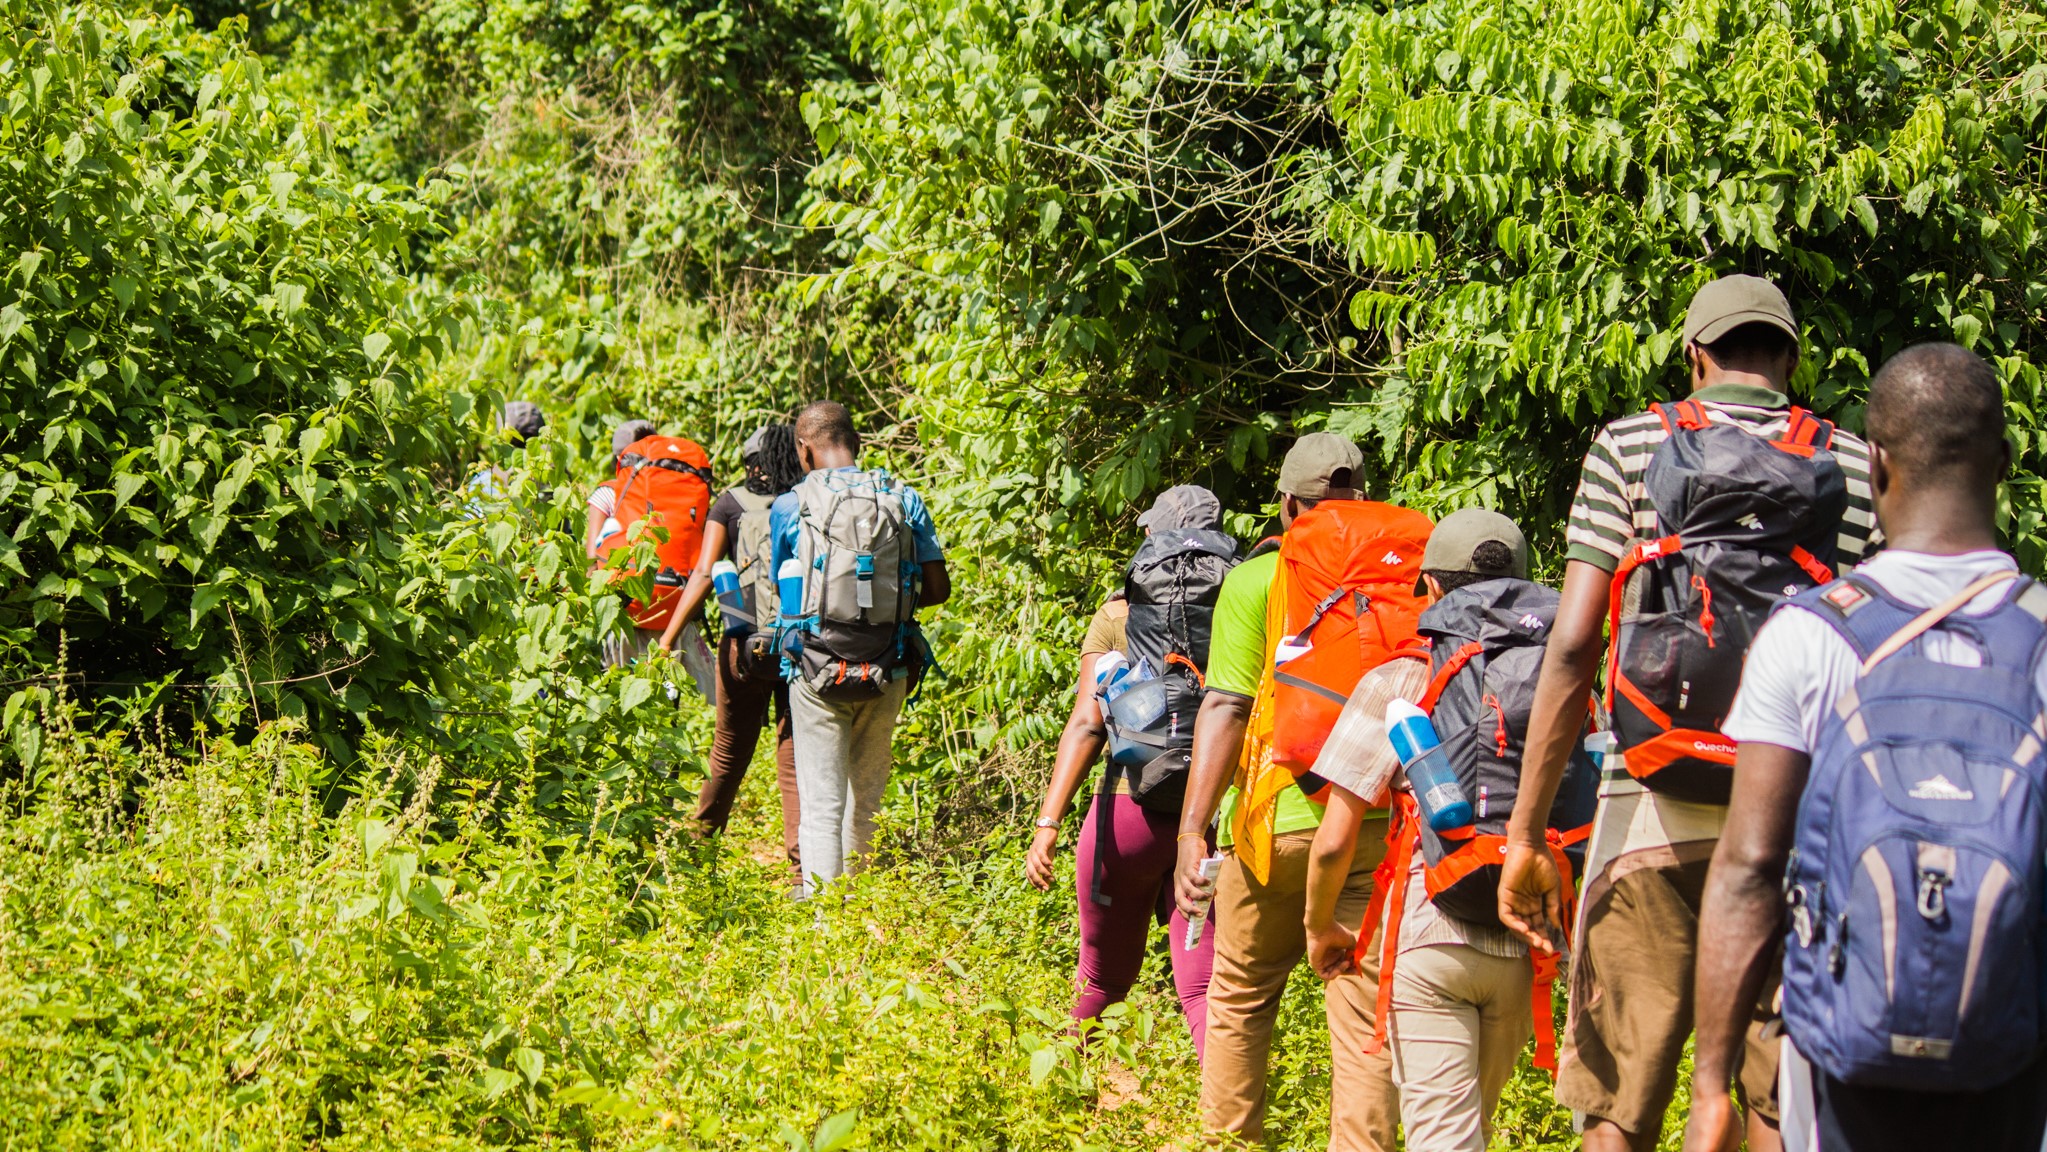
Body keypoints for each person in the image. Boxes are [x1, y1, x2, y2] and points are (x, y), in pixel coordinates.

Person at [1495, 275, 1881, 1152]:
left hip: (1648, 804)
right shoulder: (1855, 465)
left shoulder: (1629, 445)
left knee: (1618, 1102)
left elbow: (1570, 645)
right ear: (1789, 359)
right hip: (1793, 819)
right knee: (1774, 1101)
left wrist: (1525, 833)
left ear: (1694, 354)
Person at [1686, 344, 2047, 1152]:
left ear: (1874, 464)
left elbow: (1749, 866)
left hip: (1845, 1052)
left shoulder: (1809, 634)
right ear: (2005, 463)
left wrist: (1712, 1083)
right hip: (2014, 1052)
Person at [1305, 509, 1583, 1152]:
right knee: (1470, 1133)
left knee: (1444, 1140)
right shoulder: (1559, 678)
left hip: (1429, 928)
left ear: (1428, 589)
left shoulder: (1400, 677)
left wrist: (1321, 927)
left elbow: (1334, 840)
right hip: (1525, 940)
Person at [1170, 433, 1405, 1152]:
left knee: (1239, 994)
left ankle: (1230, 1142)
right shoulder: (1401, 575)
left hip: (1278, 821)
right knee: (1365, 1014)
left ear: (1285, 502)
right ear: (1364, 496)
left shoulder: (1254, 581)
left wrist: (1192, 829)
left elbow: (1225, 705)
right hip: (1374, 820)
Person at [1026, 485, 1232, 1056]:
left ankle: (1057, 1096)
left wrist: (1048, 822)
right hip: (1214, 816)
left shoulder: (1119, 611)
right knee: (1202, 986)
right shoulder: (1246, 602)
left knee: (1101, 979)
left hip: (1127, 815)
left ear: (1152, 539)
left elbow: (1087, 725)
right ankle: (1225, 1126)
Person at [772, 401, 950, 896]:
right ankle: (862, 905)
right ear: (858, 444)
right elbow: (938, 590)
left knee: (821, 803)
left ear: (804, 450)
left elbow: (786, 594)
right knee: (865, 798)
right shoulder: (903, 498)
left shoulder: (793, 504)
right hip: (889, 663)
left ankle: (825, 924)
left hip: (817, 670)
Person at [655, 424, 808, 879]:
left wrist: (668, 638)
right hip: (799, 646)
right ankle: (802, 872)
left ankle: (700, 850)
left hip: (744, 644)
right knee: (794, 755)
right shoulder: (807, 501)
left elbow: (704, 574)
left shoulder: (731, 503)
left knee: (727, 752)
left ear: (754, 462)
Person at [585, 419, 658, 558]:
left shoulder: (607, 493)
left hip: (622, 574)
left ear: (619, 458)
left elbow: (592, 557)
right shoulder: (671, 489)